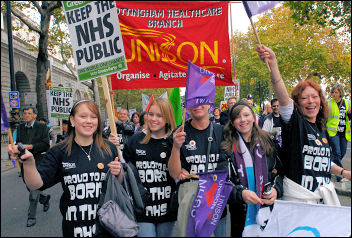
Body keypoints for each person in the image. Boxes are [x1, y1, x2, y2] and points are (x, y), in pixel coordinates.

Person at [8, 100, 123, 237]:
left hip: (108, 227)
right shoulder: (59, 151)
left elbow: (120, 183)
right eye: (83, 116)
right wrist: (29, 163)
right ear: (72, 120)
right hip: (75, 230)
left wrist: (120, 172)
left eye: (93, 117)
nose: (89, 121)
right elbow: (35, 184)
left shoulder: (109, 148)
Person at [256, 45, 351, 203]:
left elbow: (323, 162)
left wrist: (343, 172)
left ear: (320, 101)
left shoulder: (322, 130)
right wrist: (273, 65)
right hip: (298, 202)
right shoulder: (295, 123)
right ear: (297, 104)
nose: (311, 101)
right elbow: (283, 96)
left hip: (321, 201)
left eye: (314, 97)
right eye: (304, 98)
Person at [222, 101, 283, 236]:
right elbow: (222, 184)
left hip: (268, 212)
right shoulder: (226, 148)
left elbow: (279, 173)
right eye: (237, 117)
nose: (243, 120)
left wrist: (275, 189)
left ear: (254, 118)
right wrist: (240, 193)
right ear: (232, 122)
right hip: (240, 216)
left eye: (246, 115)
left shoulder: (268, 142)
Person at [168, 104, 228, 237]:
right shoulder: (179, 133)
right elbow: (175, 173)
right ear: (188, 106)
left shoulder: (222, 131)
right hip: (192, 207)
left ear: (210, 105)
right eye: (193, 101)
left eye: (202, 100)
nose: (198, 105)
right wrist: (176, 147)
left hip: (217, 207)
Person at [123, 98, 177, 237]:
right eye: (151, 114)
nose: (153, 119)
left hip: (168, 211)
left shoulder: (174, 142)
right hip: (142, 210)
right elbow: (125, 172)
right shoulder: (135, 141)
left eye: (159, 115)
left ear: (168, 118)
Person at [12, 106, 51, 227]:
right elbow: (18, 142)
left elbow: (45, 144)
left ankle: (31, 216)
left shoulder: (42, 127)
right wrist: (15, 149)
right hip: (24, 161)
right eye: (24, 113)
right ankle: (44, 198)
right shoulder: (20, 127)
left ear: (34, 115)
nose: (26, 116)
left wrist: (30, 146)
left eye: (29, 113)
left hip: (37, 161)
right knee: (28, 185)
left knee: (33, 189)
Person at [326, 84, 351, 182]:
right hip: (332, 132)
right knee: (337, 153)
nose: (333, 94)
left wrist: (349, 113)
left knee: (342, 152)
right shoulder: (328, 103)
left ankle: (329, 164)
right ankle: (340, 176)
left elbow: (350, 117)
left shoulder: (347, 103)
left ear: (341, 93)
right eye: (332, 92)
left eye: (336, 92)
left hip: (343, 132)